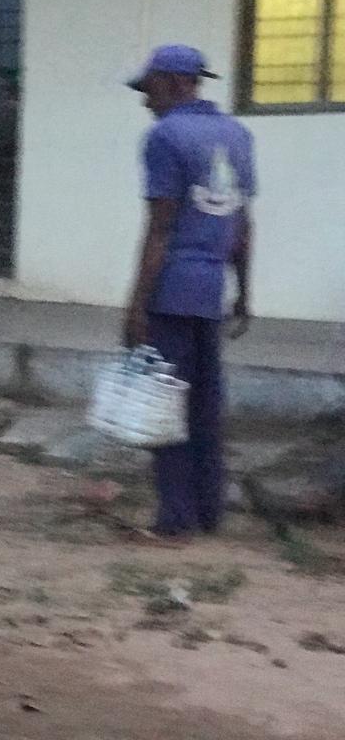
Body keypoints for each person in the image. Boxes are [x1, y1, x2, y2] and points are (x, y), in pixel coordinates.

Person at [124, 44, 255, 543]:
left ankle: (175, 520)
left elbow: (159, 228)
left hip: (171, 293)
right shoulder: (238, 136)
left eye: (150, 88)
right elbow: (242, 224)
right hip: (210, 292)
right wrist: (243, 293)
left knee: (164, 404)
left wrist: (137, 305)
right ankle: (208, 512)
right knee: (205, 405)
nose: (145, 100)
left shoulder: (164, 137)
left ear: (177, 83)